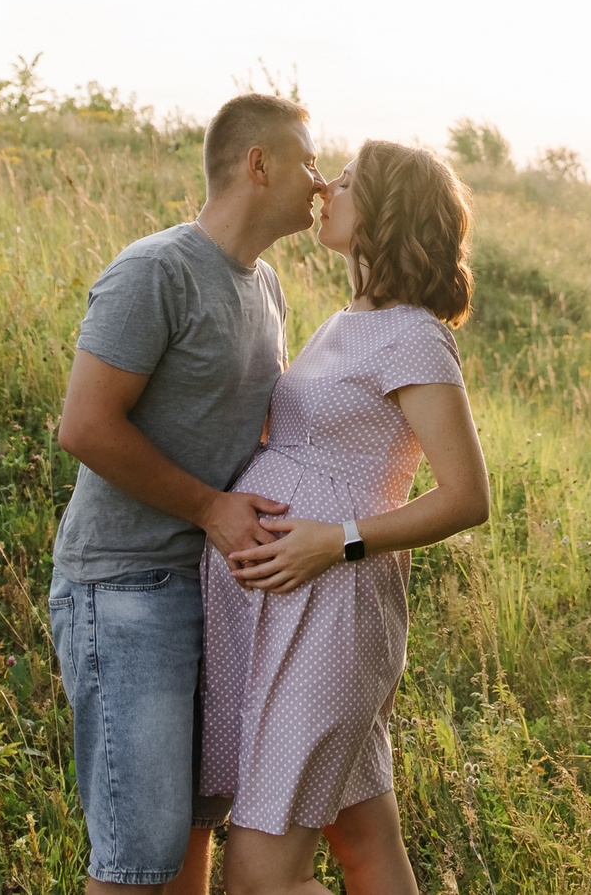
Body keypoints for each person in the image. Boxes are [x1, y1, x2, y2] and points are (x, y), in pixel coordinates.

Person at [49, 92, 326, 894]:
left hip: (214, 589)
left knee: (189, 838)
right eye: (305, 160)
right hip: (126, 584)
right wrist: (210, 508)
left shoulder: (265, 284)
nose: (317, 179)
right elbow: (86, 426)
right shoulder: (155, 271)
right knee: (138, 855)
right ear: (258, 163)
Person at [199, 140, 493, 895]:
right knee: (364, 839)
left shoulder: (415, 334)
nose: (328, 185)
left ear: (388, 212)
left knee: (260, 881)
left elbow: (466, 495)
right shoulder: (342, 322)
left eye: (351, 181)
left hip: (331, 608)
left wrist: (338, 540)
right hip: (280, 606)